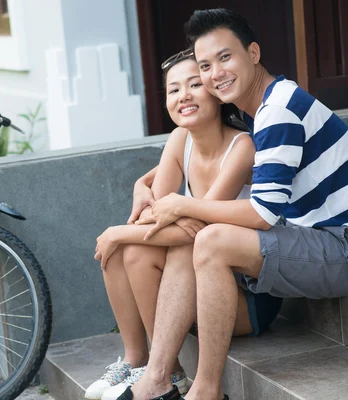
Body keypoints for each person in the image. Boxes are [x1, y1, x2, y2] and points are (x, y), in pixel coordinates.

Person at [127, 8, 348, 400]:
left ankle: (206, 390)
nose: (216, 74)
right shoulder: (269, 107)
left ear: (254, 53)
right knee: (192, 243)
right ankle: (158, 378)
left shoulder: (277, 110)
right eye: (206, 65)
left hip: (339, 244)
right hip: (317, 236)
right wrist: (147, 181)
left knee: (210, 242)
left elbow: (261, 214)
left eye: (226, 57)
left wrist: (183, 205)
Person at [86, 48, 281, 400]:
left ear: (215, 91)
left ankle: (162, 374)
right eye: (174, 90)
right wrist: (149, 207)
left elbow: (198, 229)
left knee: (158, 245)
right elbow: (154, 221)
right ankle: (143, 362)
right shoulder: (179, 140)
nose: (184, 96)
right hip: (191, 290)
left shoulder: (242, 148)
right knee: (128, 252)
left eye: (195, 84)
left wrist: (118, 230)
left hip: (243, 299)